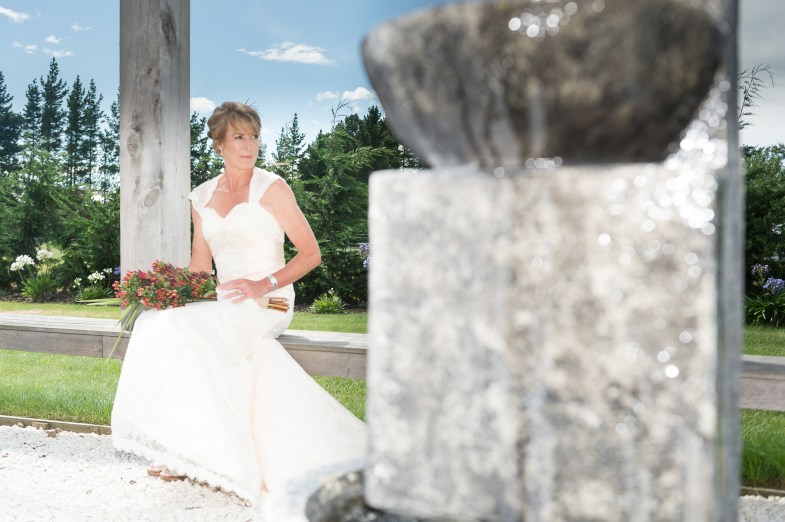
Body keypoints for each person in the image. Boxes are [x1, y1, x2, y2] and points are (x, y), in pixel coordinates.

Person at [111, 101, 367, 503]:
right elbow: (201, 267)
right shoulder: (201, 197)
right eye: (238, 137)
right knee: (160, 324)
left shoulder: (273, 188)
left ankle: (202, 455)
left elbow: (311, 254)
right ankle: (190, 449)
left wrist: (261, 284)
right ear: (219, 144)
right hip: (226, 300)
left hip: (270, 299)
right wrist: (166, 293)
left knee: (203, 333)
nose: (249, 146)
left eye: (254, 137)